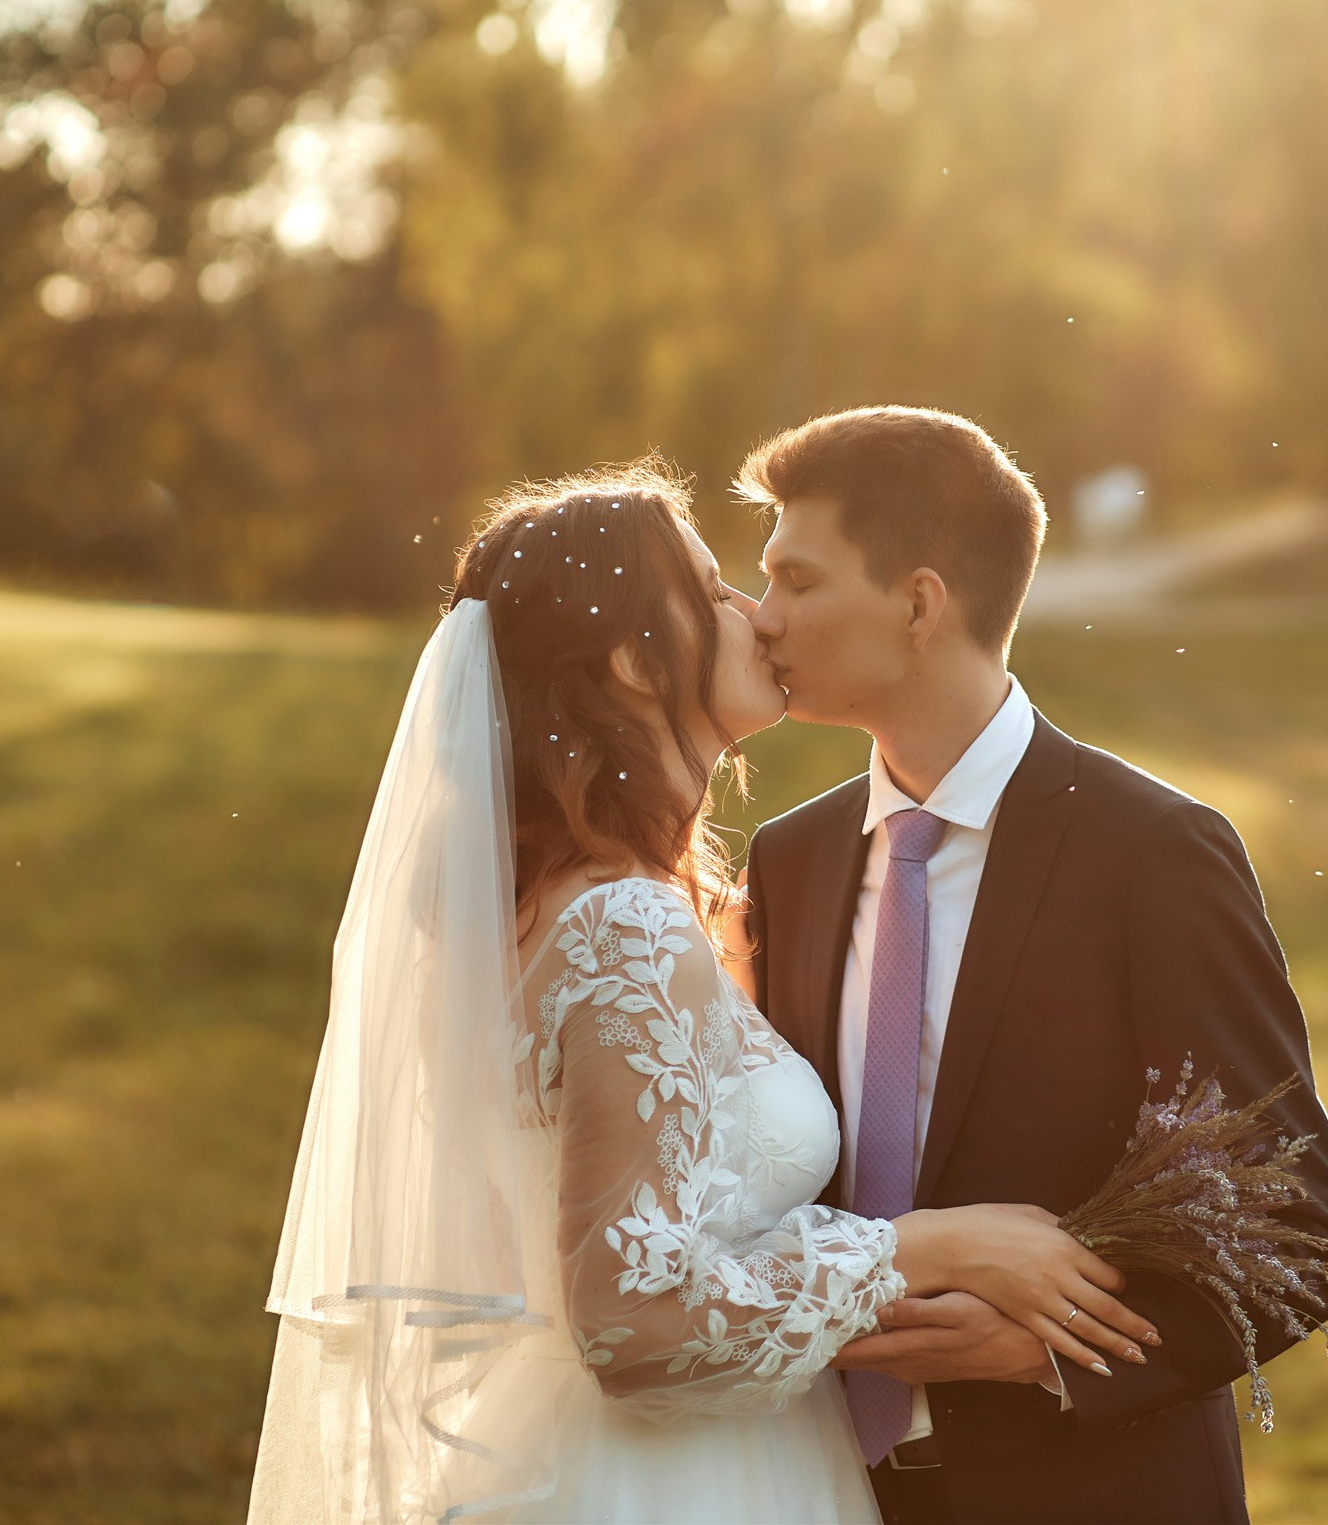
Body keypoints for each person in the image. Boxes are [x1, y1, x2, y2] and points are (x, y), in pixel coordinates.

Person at [246, 462, 1157, 1525]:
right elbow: (633, 1317)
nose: (752, 614)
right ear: (639, 662)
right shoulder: (621, 925)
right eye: (714, 589)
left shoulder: (586, 905)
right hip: (665, 1483)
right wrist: (927, 1246)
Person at [738, 407, 1328, 1525]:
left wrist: (1045, 1351)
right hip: (820, 1490)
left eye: (796, 580)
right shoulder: (791, 860)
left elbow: (1299, 1226)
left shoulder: (1156, 853)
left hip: (1091, 1491)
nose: (762, 617)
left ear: (920, 602)